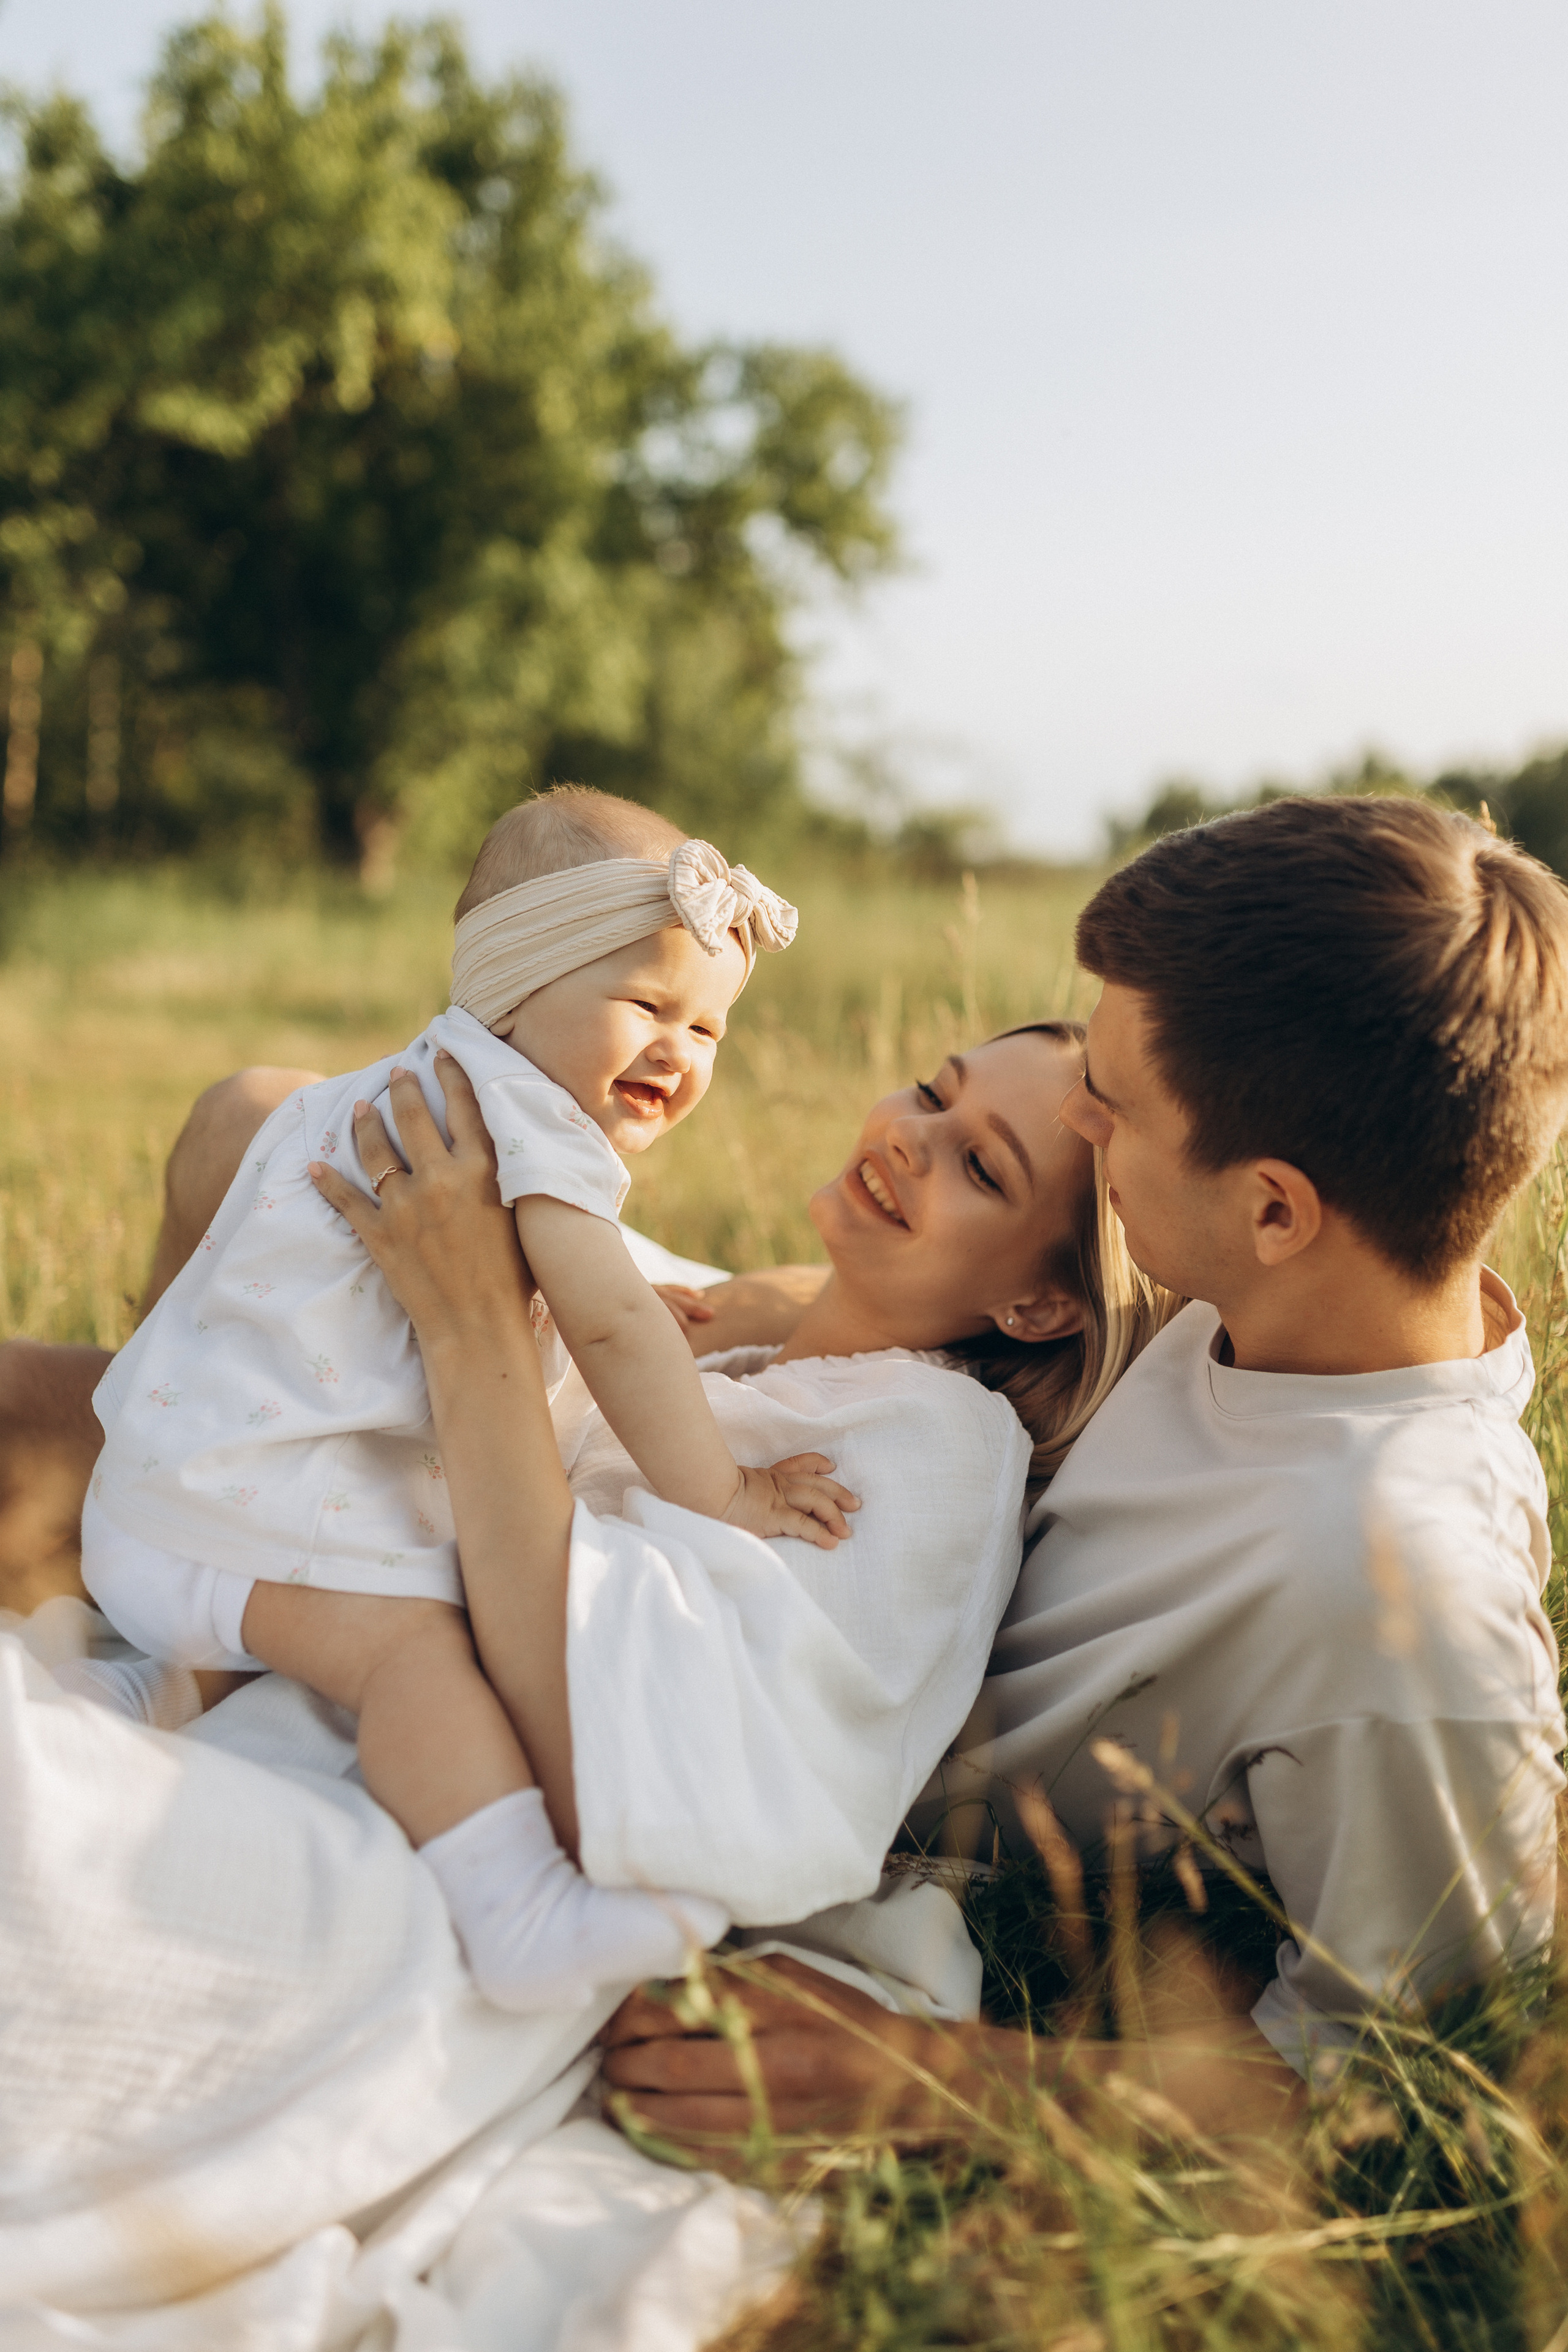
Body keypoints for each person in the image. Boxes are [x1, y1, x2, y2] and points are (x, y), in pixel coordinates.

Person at [595, 794, 1568, 2149]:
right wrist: (726, 1312)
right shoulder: (1294, 1292)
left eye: (1109, 1107)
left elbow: (1417, 2083)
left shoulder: (1400, 1607)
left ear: (1273, 1207)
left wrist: (926, 2075)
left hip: (780, 1736)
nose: (1077, 1120)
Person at [51, 1011, 1169, 2022]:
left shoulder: (934, 1444)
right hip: (304, 1705)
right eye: (932, 1092)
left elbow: (614, 1758)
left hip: (430, 1840)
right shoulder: (732, 1363)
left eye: (980, 1165)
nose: (913, 1137)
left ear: (1037, 1305)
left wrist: (474, 1322)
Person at [70, 784, 876, 2009]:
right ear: (514, 987)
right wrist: (726, 1490)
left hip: (157, 1500)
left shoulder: (398, 1089)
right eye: (647, 1006)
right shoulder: (531, 1126)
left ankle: (143, 1689)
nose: (680, 1050)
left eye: (709, 1027)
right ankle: (516, 1907)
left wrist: (588, 1287)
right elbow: (611, 1327)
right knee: (417, 1654)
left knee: (333, 1591)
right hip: (219, 1528)